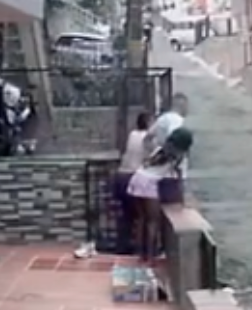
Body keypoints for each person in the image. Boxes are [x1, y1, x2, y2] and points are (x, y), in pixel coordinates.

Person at [76, 113, 153, 259]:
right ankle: (142, 249)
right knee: (142, 215)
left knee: (126, 215)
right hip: (133, 177)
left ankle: (123, 246)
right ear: (149, 123)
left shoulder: (132, 134)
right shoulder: (147, 138)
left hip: (121, 177)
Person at [126, 128, 193, 260]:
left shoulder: (160, 150)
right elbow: (178, 182)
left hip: (137, 178)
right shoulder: (180, 157)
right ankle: (151, 256)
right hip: (149, 184)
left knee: (142, 219)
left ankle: (142, 254)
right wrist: (183, 202)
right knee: (153, 222)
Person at [147, 93, 189, 175]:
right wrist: (174, 164)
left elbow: (147, 138)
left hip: (159, 171)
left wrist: (155, 152)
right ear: (182, 106)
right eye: (187, 106)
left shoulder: (162, 118)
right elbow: (174, 141)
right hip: (172, 172)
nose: (187, 110)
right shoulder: (177, 120)